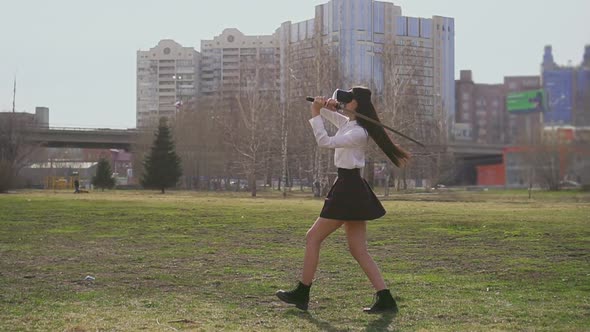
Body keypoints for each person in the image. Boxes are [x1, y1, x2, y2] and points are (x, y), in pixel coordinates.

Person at [276, 86, 410, 313]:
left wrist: (315, 114)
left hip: (348, 189)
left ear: (356, 103)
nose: (343, 102)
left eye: (347, 100)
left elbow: (325, 142)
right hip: (351, 187)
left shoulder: (358, 132)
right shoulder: (350, 124)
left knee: (312, 238)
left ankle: (303, 292)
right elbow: (333, 116)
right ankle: (385, 299)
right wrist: (323, 107)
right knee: (358, 249)